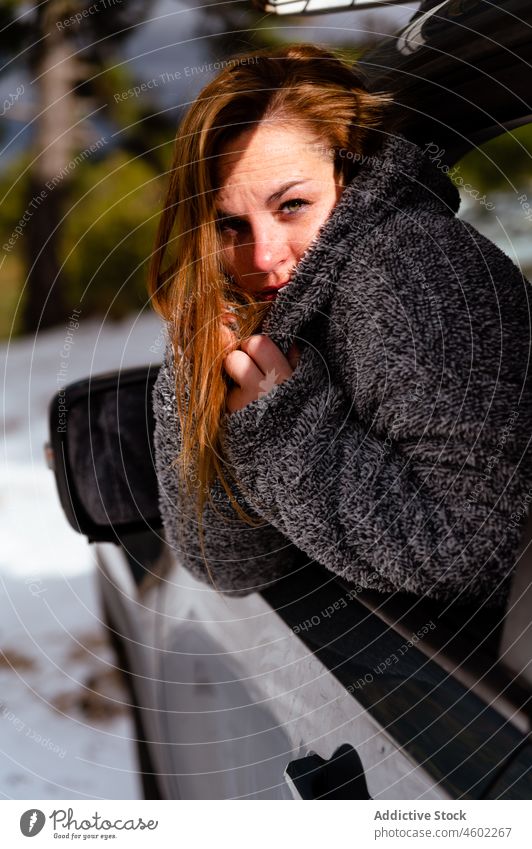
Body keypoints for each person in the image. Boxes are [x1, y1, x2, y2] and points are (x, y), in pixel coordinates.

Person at [149, 43, 532, 606]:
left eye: (292, 205)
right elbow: (229, 566)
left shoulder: (412, 273)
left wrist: (283, 423)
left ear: (349, 174)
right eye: (229, 223)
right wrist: (198, 389)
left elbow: (469, 552)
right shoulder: (243, 315)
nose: (262, 257)